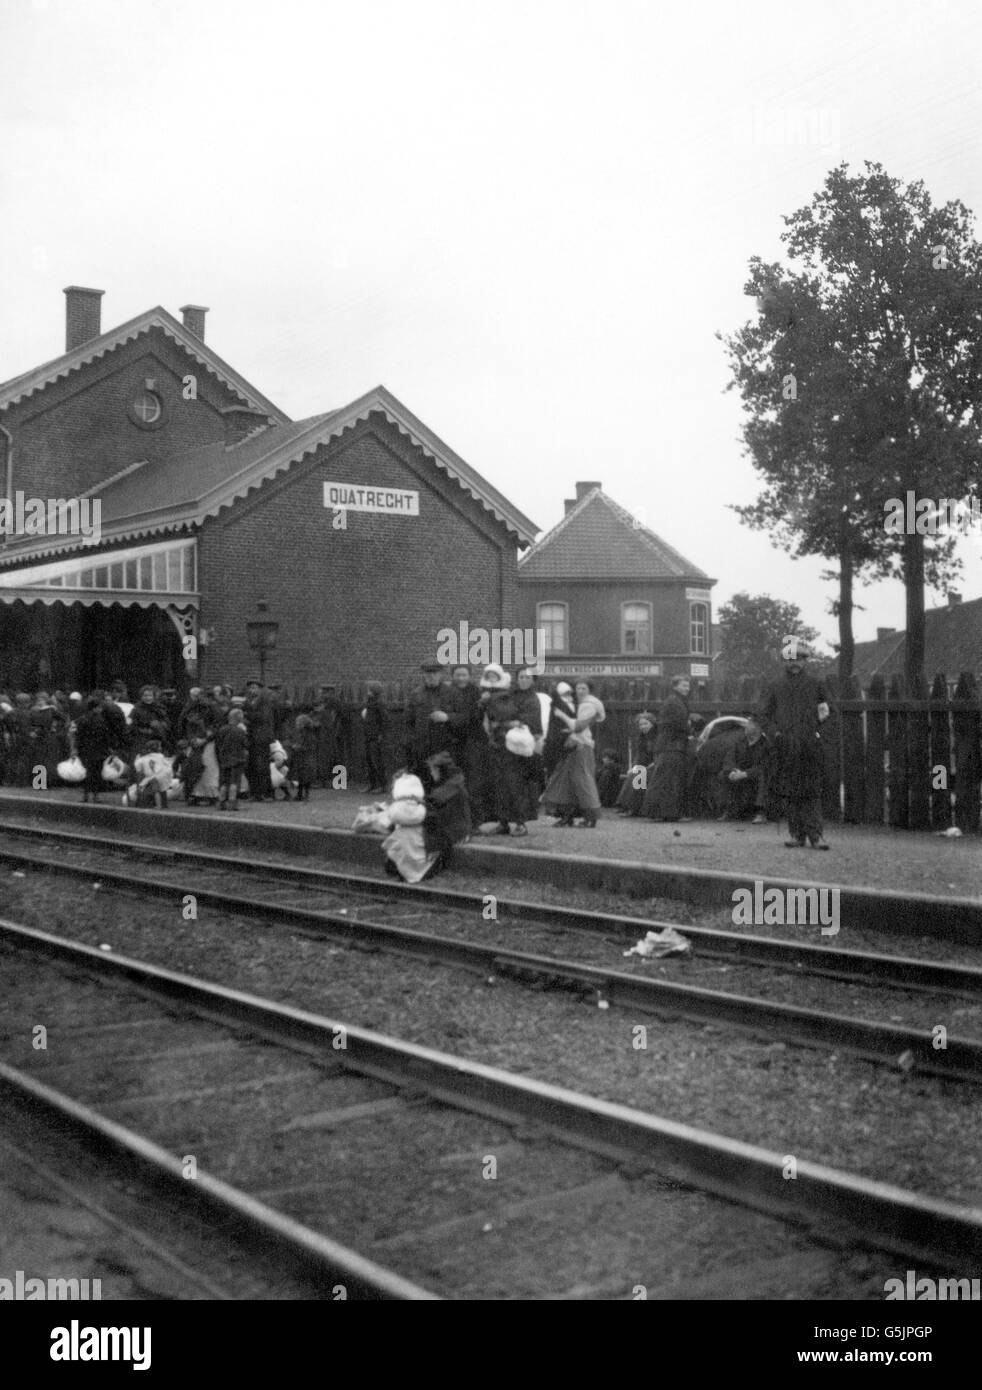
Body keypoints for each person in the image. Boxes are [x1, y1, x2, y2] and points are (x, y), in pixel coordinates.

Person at [760, 637, 831, 849]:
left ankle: (815, 835)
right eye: (790, 659)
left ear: (805, 661)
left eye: (799, 659)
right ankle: (796, 835)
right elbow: (763, 715)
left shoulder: (816, 684)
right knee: (791, 790)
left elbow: (829, 712)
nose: (795, 663)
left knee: (811, 790)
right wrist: (777, 735)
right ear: (784, 661)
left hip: (809, 745)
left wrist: (819, 734)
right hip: (786, 745)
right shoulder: (775, 686)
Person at [540, 679, 605, 827]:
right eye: (578, 688)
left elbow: (579, 726)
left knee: (582, 781)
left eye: (583, 688)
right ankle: (567, 816)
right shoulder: (578, 705)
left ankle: (590, 817)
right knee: (566, 782)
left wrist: (563, 717)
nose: (580, 691)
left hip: (581, 745)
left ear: (589, 690)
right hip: (570, 746)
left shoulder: (589, 705)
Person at [479, 663, 532, 836]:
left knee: (513, 783)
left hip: (508, 745)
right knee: (499, 785)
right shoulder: (485, 696)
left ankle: (520, 823)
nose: (491, 679)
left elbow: (508, 715)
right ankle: (503, 822)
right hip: (495, 745)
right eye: (488, 676)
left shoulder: (505, 695)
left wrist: (500, 722)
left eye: (494, 676)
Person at [443, 665, 491, 824]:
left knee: (474, 782)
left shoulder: (476, 693)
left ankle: (476, 821)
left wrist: (450, 717)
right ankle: (457, 819)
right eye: (458, 675)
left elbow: (476, 716)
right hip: (455, 742)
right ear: (452, 676)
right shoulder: (447, 693)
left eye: (464, 675)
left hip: (474, 741)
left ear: (470, 676)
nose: (461, 678)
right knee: (455, 780)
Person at [642, 676, 692, 822]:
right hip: (671, 745)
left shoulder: (675, 701)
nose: (687, 688)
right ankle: (667, 813)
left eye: (688, 686)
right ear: (675, 686)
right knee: (669, 780)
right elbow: (679, 723)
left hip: (667, 745)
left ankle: (660, 812)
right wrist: (689, 730)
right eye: (684, 685)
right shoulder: (675, 702)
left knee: (665, 779)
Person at [421, 750, 472, 875]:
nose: (431, 773)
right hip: (453, 824)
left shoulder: (451, 785)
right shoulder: (453, 781)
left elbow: (434, 801)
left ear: (440, 770)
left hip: (455, 828)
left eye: (433, 770)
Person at [402, 661, 453, 774]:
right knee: (424, 779)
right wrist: (411, 741)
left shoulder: (450, 693)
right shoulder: (416, 694)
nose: (431, 676)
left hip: (443, 745)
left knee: (444, 779)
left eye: (434, 673)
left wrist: (447, 717)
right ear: (424, 675)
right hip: (422, 746)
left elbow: (458, 717)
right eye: (428, 673)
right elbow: (408, 720)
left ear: (440, 674)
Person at [718, 715, 770, 823]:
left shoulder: (766, 745)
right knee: (723, 774)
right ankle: (729, 809)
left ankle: (761, 812)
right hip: (739, 775)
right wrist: (732, 771)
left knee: (763, 775)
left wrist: (745, 774)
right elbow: (729, 758)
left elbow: (764, 766)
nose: (746, 726)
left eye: (749, 724)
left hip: (753, 777)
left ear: (758, 728)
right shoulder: (740, 742)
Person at [512, 667, 544, 821]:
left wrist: (514, 720)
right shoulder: (511, 696)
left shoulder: (533, 699)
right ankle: (505, 821)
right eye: (521, 677)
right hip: (510, 743)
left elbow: (529, 720)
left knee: (524, 782)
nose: (523, 680)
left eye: (527, 678)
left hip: (526, 744)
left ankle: (521, 820)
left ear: (533, 681)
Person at [616, 711, 657, 815]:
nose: (643, 727)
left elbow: (658, 755)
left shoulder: (657, 737)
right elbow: (640, 756)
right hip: (645, 766)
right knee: (633, 774)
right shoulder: (642, 738)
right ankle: (626, 805)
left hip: (656, 766)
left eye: (645, 724)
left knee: (640, 776)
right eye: (640, 724)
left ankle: (633, 808)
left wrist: (651, 765)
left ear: (652, 724)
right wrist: (635, 766)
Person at [74, 696, 112, 804]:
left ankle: (85, 795)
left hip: (85, 749)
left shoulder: (82, 719)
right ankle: (96, 796)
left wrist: (77, 748)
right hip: (99, 749)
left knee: (86, 773)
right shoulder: (102, 720)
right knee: (97, 773)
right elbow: (106, 736)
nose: (101, 709)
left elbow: (79, 735)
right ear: (94, 708)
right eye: (99, 707)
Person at [244, 678, 275, 801]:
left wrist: (247, 716)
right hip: (251, 737)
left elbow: (263, 717)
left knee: (262, 765)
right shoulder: (248, 701)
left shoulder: (264, 701)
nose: (252, 690)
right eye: (250, 688)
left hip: (261, 737)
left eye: (255, 687)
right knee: (251, 766)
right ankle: (254, 793)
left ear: (260, 689)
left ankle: (266, 793)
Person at [215, 708, 249, 811]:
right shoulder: (240, 731)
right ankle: (233, 802)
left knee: (224, 782)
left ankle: (221, 802)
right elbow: (246, 744)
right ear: (239, 719)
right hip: (237, 759)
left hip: (224, 759)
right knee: (234, 782)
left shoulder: (222, 729)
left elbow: (217, 745)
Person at [543, 682, 577, 778]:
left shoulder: (572, 705)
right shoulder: (558, 704)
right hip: (556, 743)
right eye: (566, 693)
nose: (568, 695)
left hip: (567, 743)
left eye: (569, 693)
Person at [361, 681, 389, 793]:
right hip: (368, 735)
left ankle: (382, 786)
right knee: (369, 761)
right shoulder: (370, 702)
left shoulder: (379, 703)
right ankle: (372, 784)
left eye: (369, 689)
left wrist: (381, 734)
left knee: (377, 761)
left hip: (375, 736)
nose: (367, 691)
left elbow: (385, 720)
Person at [289, 713, 318, 801]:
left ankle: (305, 794)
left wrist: (297, 747)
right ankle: (300, 794)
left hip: (306, 759)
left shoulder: (308, 735)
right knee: (301, 777)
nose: (296, 725)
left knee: (305, 777)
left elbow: (309, 747)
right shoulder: (303, 734)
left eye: (298, 723)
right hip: (303, 758)